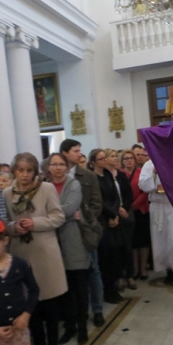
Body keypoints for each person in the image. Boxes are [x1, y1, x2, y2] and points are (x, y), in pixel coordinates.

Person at [3, 153, 67, 345]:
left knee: (49, 302)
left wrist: (35, 223)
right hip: (21, 253)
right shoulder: (7, 192)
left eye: (29, 170)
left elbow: (58, 216)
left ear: (35, 171)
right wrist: (14, 227)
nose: (24, 174)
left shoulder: (46, 189)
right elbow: (5, 222)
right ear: (14, 171)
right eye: (20, 170)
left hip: (44, 252)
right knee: (30, 303)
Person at [60, 139, 105, 327]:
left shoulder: (87, 175)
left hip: (85, 230)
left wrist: (86, 221)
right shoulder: (56, 177)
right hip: (64, 230)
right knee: (70, 273)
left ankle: (97, 309)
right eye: (75, 151)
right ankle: (77, 311)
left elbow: (96, 203)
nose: (80, 154)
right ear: (65, 153)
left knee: (93, 270)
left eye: (80, 151)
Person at [48, 153, 90, 345]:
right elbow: (59, 211)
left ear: (66, 167)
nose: (57, 168)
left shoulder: (74, 184)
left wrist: (50, 216)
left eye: (61, 164)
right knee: (63, 290)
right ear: (49, 167)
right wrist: (68, 215)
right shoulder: (45, 186)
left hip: (73, 241)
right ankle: (69, 326)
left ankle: (82, 328)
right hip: (52, 241)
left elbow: (70, 207)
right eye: (54, 164)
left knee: (79, 287)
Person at [139, 159, 173, 287]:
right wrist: (154, 173)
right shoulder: (149, 164)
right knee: (160, 241)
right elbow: (142, 184)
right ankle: (168, 271)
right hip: (157, 206)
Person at [88, 149, 127, 303]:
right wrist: (111, 214)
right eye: (101, 159)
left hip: (113, 217)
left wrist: (115, 214)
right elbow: (99, 200)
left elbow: (116, 196)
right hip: (102, 220)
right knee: (106, 257)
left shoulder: (108, 174)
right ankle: (107, 291)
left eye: (105, 158)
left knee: (116, 254)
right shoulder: (92, 177)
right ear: (93, 162)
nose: (105, 160)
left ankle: (114, 288)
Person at [104, 149, 134, 291]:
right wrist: (116, 210)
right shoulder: (104, 176)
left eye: (116, 156)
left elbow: (129, 194)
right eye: (112, 156)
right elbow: (106, 198)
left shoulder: (121, 175)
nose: (116, 159)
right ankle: (120, 276)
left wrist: (124, 207)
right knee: (117, 248)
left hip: (126, 213)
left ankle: (130, 275)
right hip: (112, 215)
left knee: (128, 246)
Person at [121, 149, 151, 280]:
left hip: (141, 210)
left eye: (131, 158)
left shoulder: (141, 172)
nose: (129, 161)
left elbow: (146, 190)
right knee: (132, 242)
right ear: (122, 161)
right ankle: (135, 269)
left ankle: (143, 269)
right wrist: (128, 206)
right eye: (126, 158)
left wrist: (135, 204)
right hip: (126, 211)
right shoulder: (120, 174)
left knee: (143, 241)